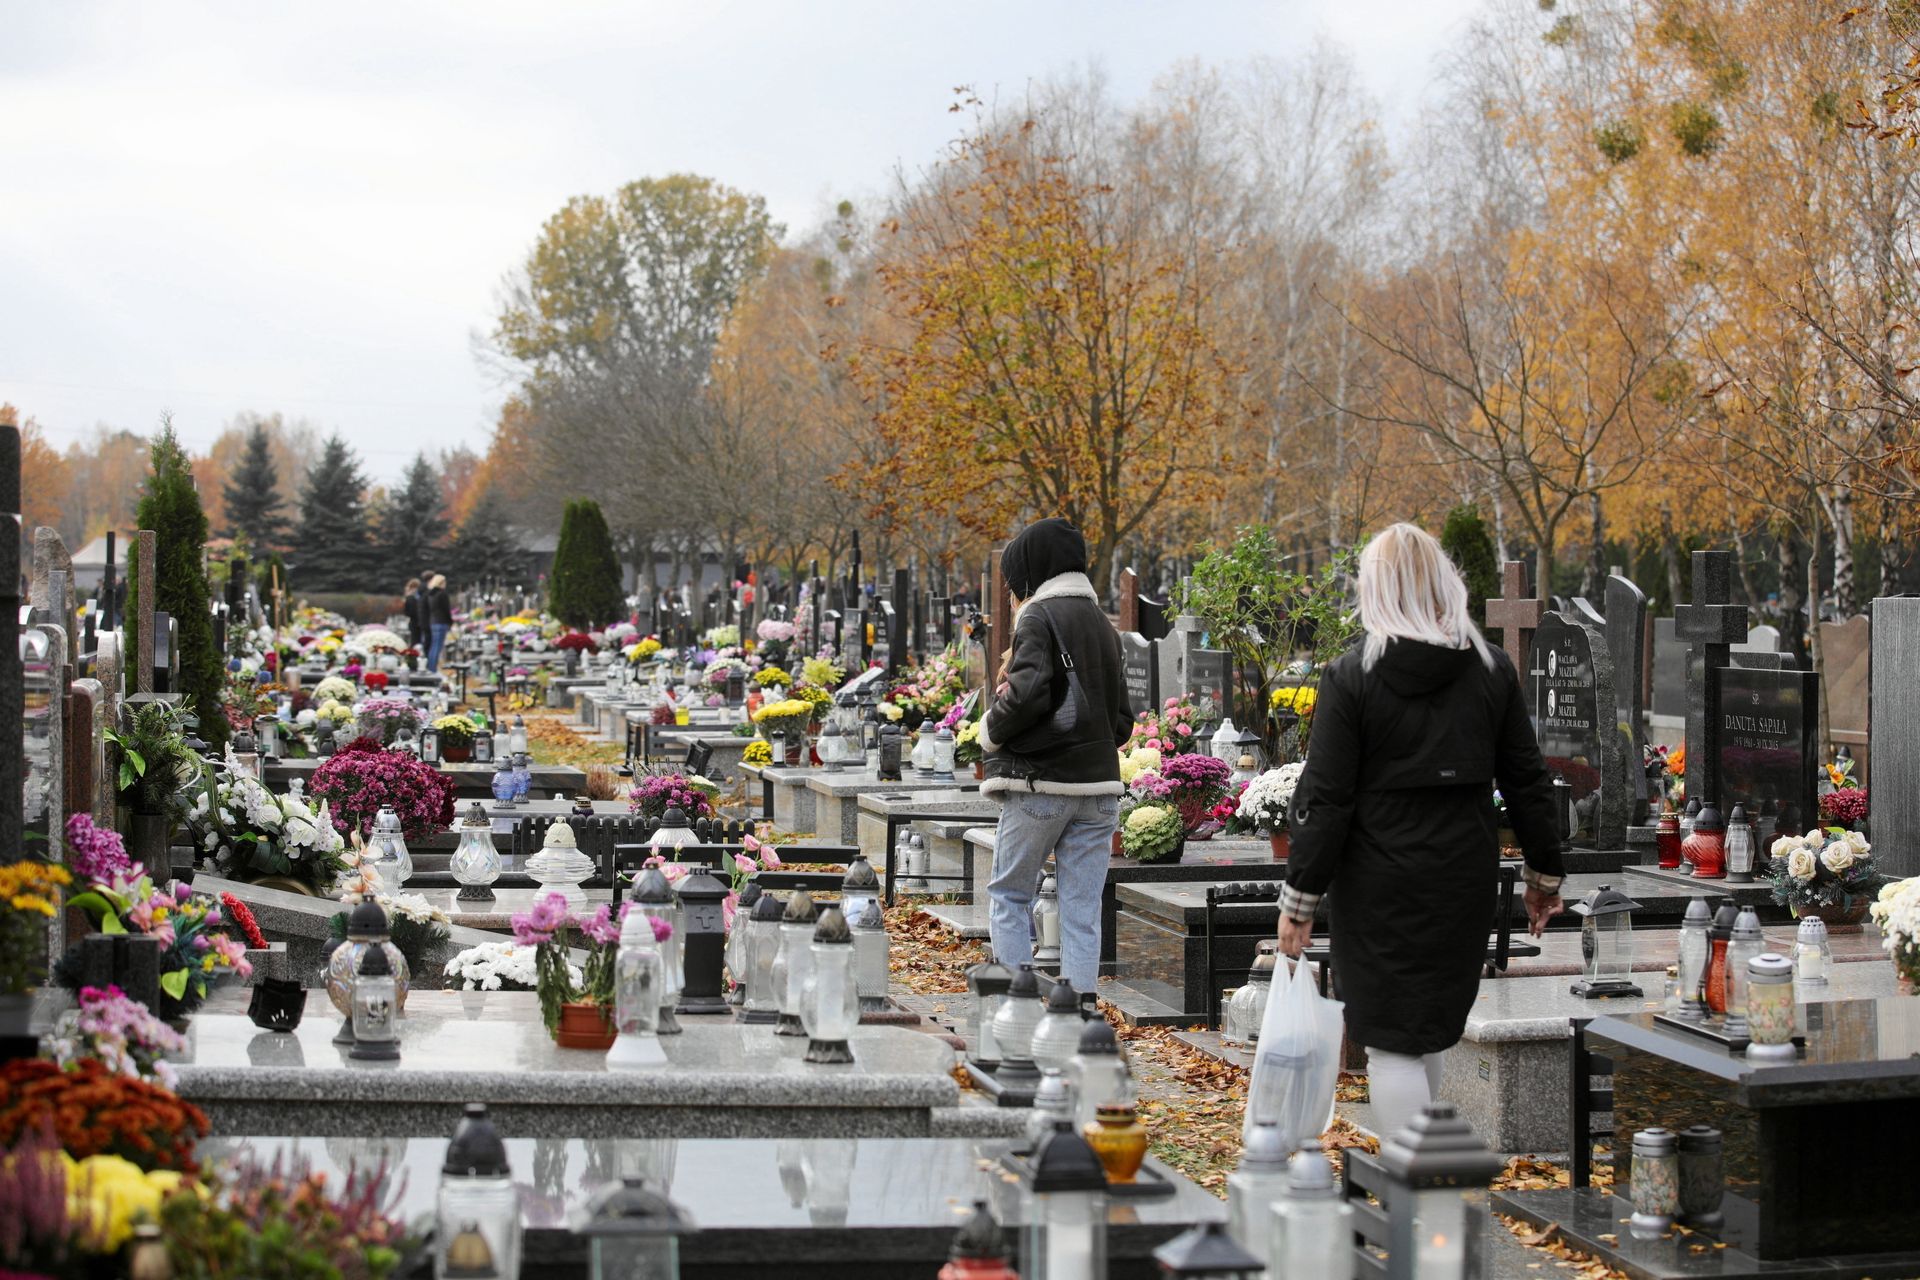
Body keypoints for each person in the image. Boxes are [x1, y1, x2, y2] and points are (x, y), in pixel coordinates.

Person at [1275, 522, 1564, 1140]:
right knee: (1428, 1031)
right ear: (1442, 582)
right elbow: (1528, 781)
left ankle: (1414, 1176)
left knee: (1392, 1043)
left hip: (1379, 881)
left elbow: (1327, 799)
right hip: (1461, 876)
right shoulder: (1490, 670)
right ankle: (1425, 1169)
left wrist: (1299, 901)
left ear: (1376, 588)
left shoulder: (1353, 676)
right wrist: (1543, 876)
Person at [978, 518, 1133, 1000]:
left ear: (1030, 570)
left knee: (1010, 895)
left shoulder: (1038, 617)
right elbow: (1122, 724)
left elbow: (1025, 696)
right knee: (1081, 911)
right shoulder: (1104, 626)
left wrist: (989, 731)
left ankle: (1017, 1008)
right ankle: (1079, 1015)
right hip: (1099, 792)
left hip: (1040, 785)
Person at [426, 573, 454, 671]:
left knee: (433, 646)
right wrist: (450, 622)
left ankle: (431, 667)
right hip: (441, 622)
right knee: (438, 647)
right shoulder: (442, 594)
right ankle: (433, 669)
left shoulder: (431, 594)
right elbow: (446, 610)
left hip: (433, 622)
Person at [402, 577, 425, 652]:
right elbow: (412, 611)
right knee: (415, 641)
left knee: (414, 640)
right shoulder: (412, 598)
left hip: (413, 622)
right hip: (415, 622)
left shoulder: (408, 597)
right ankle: (413, 654)